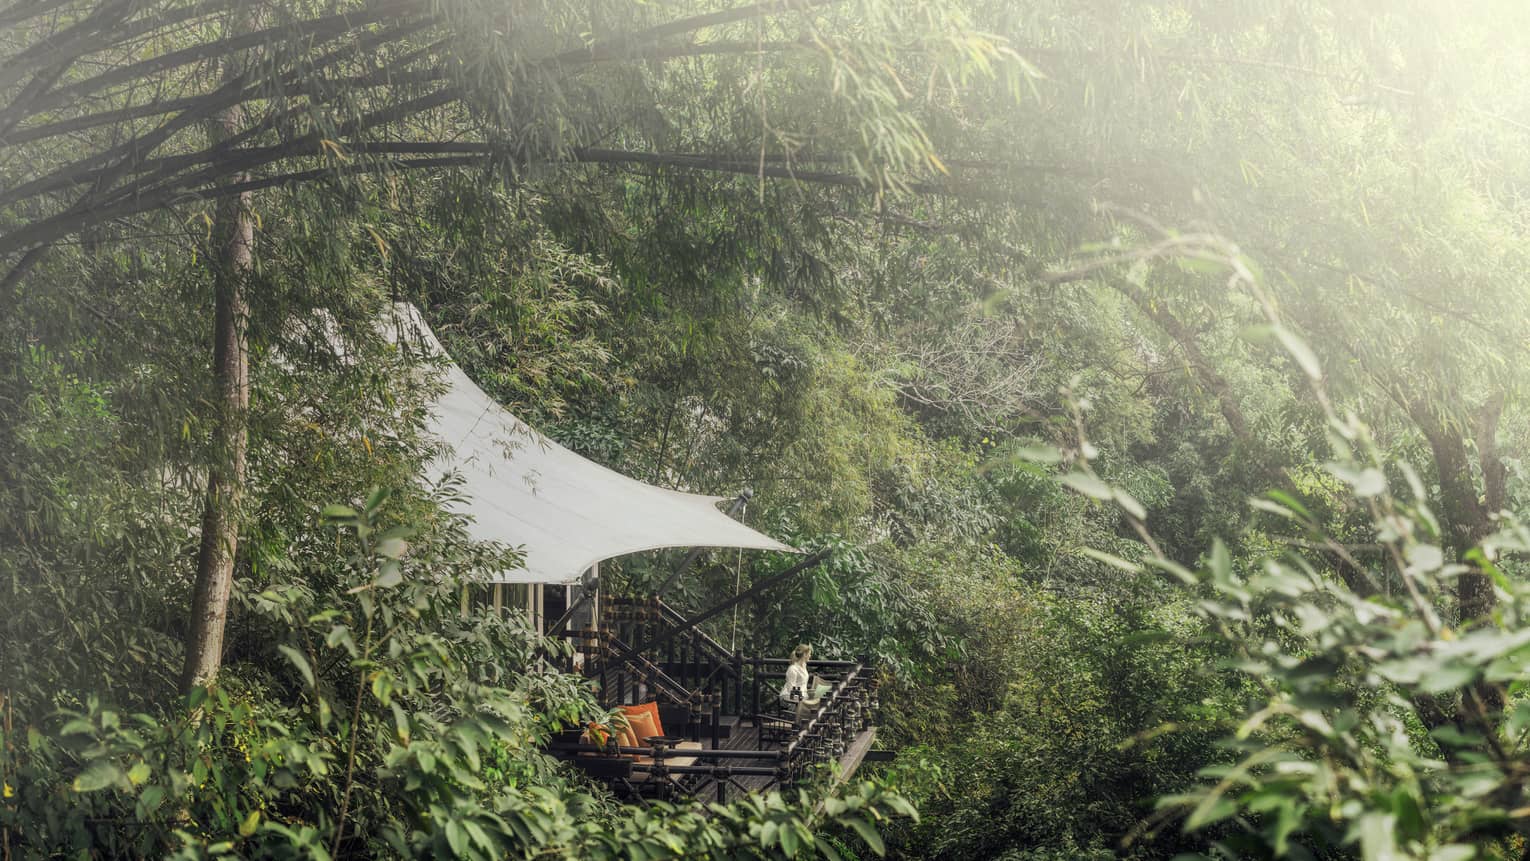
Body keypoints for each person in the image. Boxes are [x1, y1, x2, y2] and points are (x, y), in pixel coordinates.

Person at [780, 644, 813, 715]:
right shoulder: (793, 669)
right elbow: (790, 689)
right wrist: (803, 698)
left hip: (801, 696)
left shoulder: (804, 666)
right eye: (809, 654)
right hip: (789, 696)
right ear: (804, 654)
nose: (810, 656)